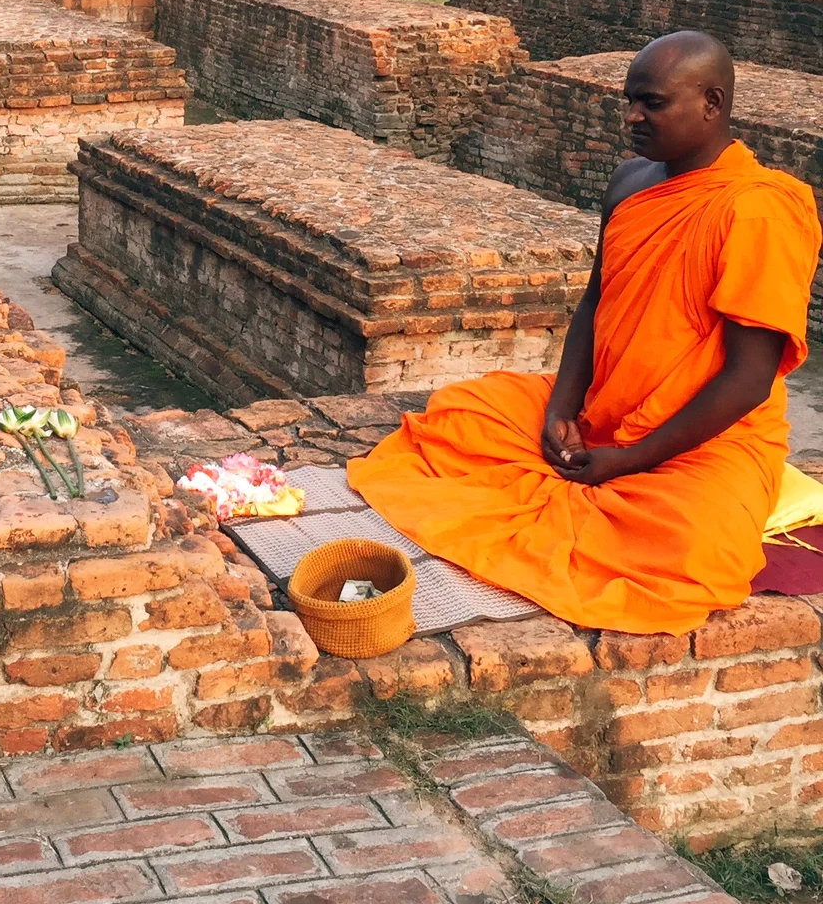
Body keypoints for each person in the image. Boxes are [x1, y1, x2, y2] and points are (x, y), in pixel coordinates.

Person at [348, 32, 821, 634]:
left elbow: (750, 379)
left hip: (705, 437)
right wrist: (561, 409)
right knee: (458, 413)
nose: (632, 116)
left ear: (711, 103)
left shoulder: (761, 209)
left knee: (693, 549)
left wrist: (628, 460)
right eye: (630, 100)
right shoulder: (630, 182)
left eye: (652, 102)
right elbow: (596, 302)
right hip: (606, 402)